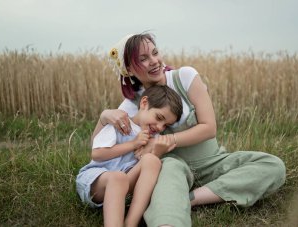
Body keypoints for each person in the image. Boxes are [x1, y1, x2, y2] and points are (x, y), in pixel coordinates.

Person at [92, 33, 286, 226]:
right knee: (169, 171)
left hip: (214, 162)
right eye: (143, 59)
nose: (154, 61)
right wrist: (104, 116)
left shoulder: (184, 77)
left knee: (273, 166)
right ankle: (169, 215)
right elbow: (98, 146)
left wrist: (162, 141)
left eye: (155, 53)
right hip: (172, 168)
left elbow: (209, 128)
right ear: (129, 69)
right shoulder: (134, 103)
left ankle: (189, 198)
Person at [76, 84, 183, 227]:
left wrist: (158, 152)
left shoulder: (152, 137)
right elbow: (97, 154)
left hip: (124, 183)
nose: (159, 127)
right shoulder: (120, 124)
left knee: (152, 161)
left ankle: (131, 222)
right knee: (117, 178)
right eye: (159, 117)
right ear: (144, 103)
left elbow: (144, 167)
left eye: (165, 125)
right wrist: (133, 144)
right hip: (97, 182)